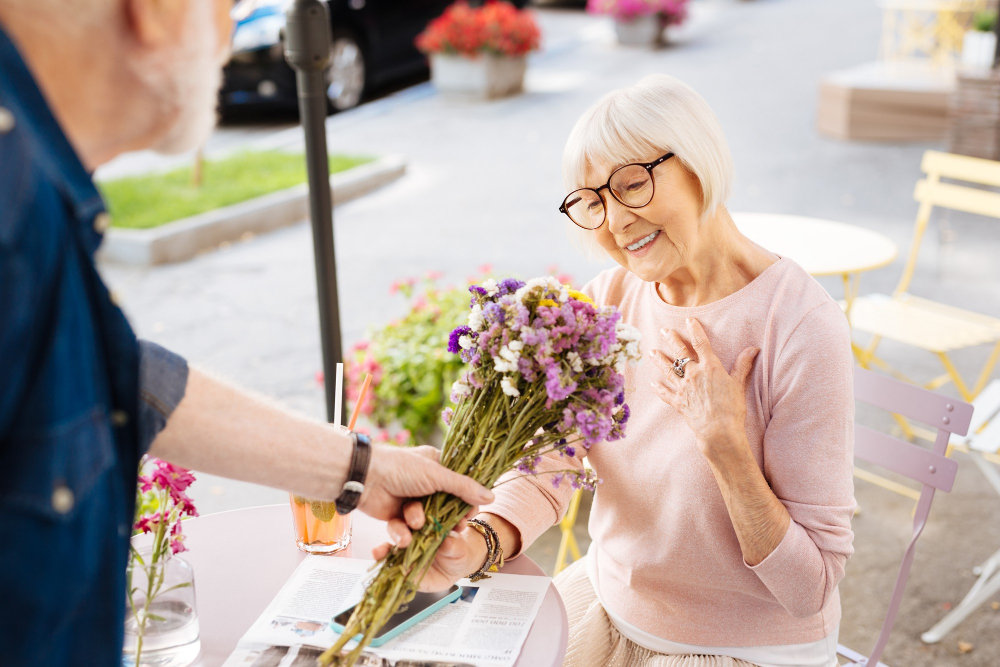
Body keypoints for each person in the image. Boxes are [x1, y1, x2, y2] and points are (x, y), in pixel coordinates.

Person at [0, 1, 492, 665]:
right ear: (157, 12)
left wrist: (361, 469)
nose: (230, 35)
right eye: (224, 6)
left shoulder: (34, 196)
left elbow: (126, 375)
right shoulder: (11, 214)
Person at [399, 75, 856, 667]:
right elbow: (551, 468)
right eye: (593, 201)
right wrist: (483, 540)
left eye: (632, 184)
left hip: (739, 651)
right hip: (608, 609)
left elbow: (809, 589)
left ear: (698, 164)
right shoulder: (608, 301)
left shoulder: (797, 326)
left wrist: (726, 447)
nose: (614, 223)